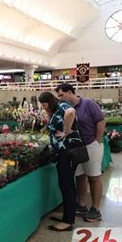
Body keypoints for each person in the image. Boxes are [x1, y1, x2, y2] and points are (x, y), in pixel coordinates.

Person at [55, 83, 105, 222]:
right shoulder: (65, 107)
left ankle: (95, 209)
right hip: (76, 147)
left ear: (70, 92)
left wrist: (97, 141)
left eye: (61, 95)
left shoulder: (88, 104)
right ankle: (81, 204)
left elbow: (100, 122)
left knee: (93, 177)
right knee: (80, 176)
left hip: (91, 145)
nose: (59, 98)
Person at [39, 92, 83, 231]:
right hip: (62, 152)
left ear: (50, 101)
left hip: (67, 151)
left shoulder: (63, 106)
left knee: (67, 184)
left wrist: (66, 131)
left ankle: (68, 221)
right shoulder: (55, 110)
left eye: (45, 105)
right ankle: (66, 215)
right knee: (64, 183)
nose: (44, 107)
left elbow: (71, 112)